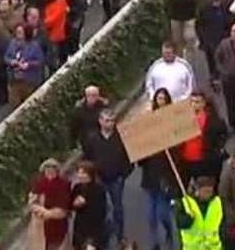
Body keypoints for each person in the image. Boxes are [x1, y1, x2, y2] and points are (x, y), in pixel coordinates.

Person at [81, 109, 132, 245]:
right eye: (106, 120)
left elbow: (129, 156)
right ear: (100, 121)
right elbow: (88, 158)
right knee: (101, 208)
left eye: (112, 121)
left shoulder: (120, 137)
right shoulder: (92, 139)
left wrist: (124, 173)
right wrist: (92, 176)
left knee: (118, 208)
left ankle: (120, 236)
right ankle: (103, 236)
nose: (109, 124)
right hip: (99, 179)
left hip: (117, 178)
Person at [141, 89, 179, 250]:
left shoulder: (173, 120)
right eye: (158, 98)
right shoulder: (148, 122)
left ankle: (169, 232)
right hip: (150, 173)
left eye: (163, 98)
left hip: (165, 173)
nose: (160, 101)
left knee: (163, 212)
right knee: (151, 213)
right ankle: (155, 242)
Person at [181, 92, 229, 181]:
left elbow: (223, 134)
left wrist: (218, 149)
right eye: (191, 102)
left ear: (203, 103)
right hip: (186, 160)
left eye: (197, 102)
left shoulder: (213, 120)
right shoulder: (182, 119)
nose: (194, 105)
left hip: (204, 160)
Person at [29, 158, 72, 250]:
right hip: (40, 223)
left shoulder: (64, 184)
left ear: (57, 170)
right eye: (47, 168)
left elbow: (65, 205)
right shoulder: (38, 183)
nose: (49, 170)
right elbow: (32, 201)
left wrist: (50, 213)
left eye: (53, 168)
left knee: (58, 245)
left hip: (58, 224)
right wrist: (41, 210)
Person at [175, 176, 226, 250]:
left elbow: (223, 223)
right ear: (197, 190)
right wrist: (186, 220)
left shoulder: (217, 202)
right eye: (205, 191)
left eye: (209, 191)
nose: (207, 194)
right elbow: (178, 222)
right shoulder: (185, 202)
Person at [70, 160, 108, 250]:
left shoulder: (98, 189)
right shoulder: (77, 188)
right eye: (78, 172)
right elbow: (71, 204)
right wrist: (75, 204)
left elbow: (101, 211)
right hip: (80, 227)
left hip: (94, 229)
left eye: (83, 173)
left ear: (90, 174)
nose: (80, 175)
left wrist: (85, 203)